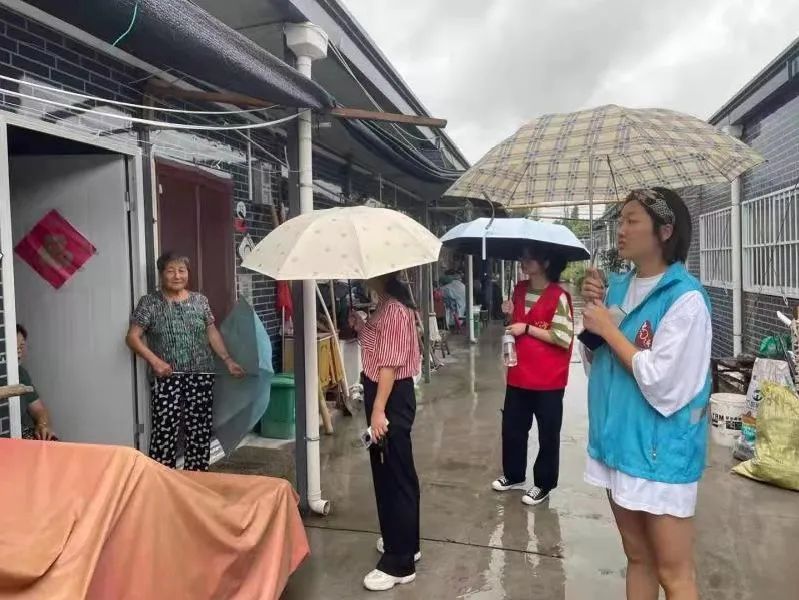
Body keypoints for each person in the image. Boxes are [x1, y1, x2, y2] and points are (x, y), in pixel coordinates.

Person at [580, 188, 711, 600]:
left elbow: (665, 384)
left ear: (664, 231)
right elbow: (597, 363)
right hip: (619, 445)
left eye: (632, 220)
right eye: (621, 220)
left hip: (661, 454)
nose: (621, 229)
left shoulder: (685, 300)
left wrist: (609, 329)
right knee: (637, 558)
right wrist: (593, 318)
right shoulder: (617, 289)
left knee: (674, 574)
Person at [126, 252, 244, 471]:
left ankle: (197, 478)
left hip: (201, 376)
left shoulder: (200, 301)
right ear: (161, 274)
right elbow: (132, 338)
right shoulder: (149, 303)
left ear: (188, 273)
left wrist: (227, 360)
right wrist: (155, 362)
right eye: (170, 271)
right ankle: (162, 479)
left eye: (181, 270)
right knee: (165, 431)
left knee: (199, 431)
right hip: (167, 378)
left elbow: (211, 332)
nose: (177, 276)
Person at [349, 271, 421, 592]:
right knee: (392, 471)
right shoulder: (385, 305)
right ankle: (404, 542)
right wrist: (361, 325)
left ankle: (399, 562)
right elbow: (377, 348)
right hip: (382, 393)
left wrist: (379, 410)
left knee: (394, 475)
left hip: (389, 396)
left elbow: (389, 365)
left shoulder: (394, 311)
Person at [491, 246, 574, 505]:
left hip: (548, 378)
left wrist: (526, 328)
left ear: (546, 263)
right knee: (513, 428)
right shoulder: (518, 290)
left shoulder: (558, 296)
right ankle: (514, 474)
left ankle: (543, 484)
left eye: (530, 258)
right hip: (518, 372)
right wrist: (508, 312)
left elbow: (562, 337)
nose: (523, 261)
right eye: (522, 256)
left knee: (548, 433)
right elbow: (513, 325)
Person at [15, 324, 55, 441]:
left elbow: (39, 410)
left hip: (25, 434)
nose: (19, 351)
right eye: (14, 346)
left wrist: (42, 425)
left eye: (21, 345)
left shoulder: (21, 373)